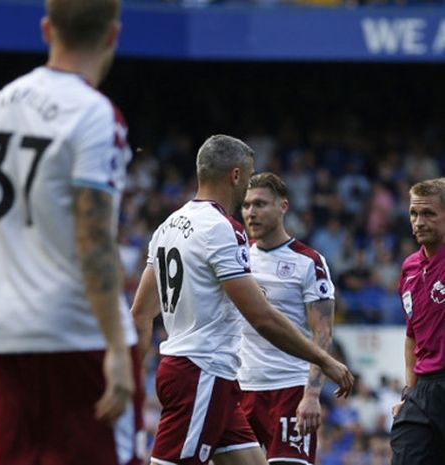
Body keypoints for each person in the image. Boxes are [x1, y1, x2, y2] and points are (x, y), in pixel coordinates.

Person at [0, 1, 143, 464]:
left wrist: (8, 304)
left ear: (46, 29)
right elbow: (93, 239)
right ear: (112, 36)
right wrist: (114, 347)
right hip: (78, 334)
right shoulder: (95, 115)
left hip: (8, 333)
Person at [130, 135, 353, 465]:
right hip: (202, 370)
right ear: (235, 176)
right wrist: (327, 361)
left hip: (195, 371)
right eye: (248, 178)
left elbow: (140, 312)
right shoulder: (223, 228)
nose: (248, 195)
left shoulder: (168, 226)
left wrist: (135, 378)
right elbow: (261, 317)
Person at [237, 172, 336, 465]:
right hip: (242, 389)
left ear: (283, 206)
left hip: (290, 390)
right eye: (246, 205)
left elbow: (323, 332)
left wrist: (312, 394)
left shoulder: (308, 262)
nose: (251, 213)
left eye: (260, 204)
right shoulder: (235, 258)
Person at [391, 178, 445, 464]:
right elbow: (412, 335)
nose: (419, 221)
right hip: (422, 390)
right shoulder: (409, 267)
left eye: (429, 214)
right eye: (414, 214)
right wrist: (409, 393)